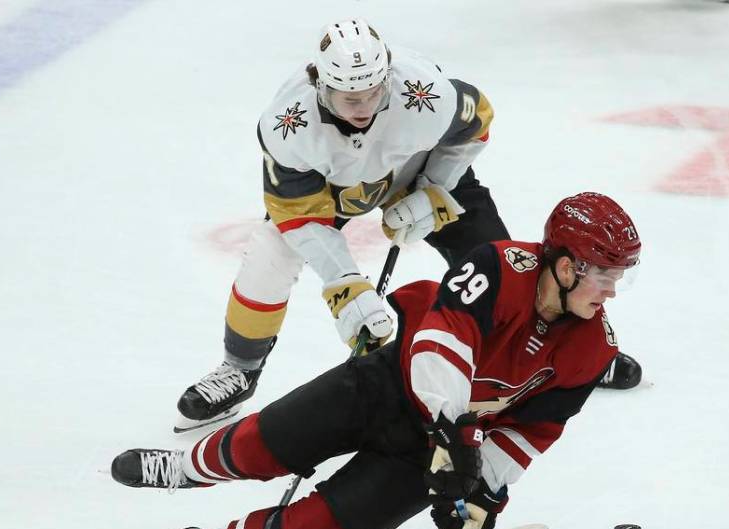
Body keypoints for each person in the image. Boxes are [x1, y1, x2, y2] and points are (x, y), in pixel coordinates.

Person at [111, 191, 642, 529]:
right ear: (569, 267)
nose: (613, 292)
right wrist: (456, 434)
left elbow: (534, 431)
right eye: (607, 276)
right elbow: (440, 343)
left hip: (433, 453)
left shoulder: (594, 348)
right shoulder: (498, 267)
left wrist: (483, 496)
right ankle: (185, 469)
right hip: (388, 388)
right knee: (257, 449)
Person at [175, 18, 640, 433]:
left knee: (508, 265)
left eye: (374, 93)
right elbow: (298, 213)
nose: (363, 107)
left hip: (419, 172)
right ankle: (240, 366)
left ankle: (576, 353)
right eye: (349, 97)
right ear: (319, 85)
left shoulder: (425, 92)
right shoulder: (286, 125)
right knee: (271, 253)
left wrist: (434, 190)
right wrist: (346, 287)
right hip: (333, 191)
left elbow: (477, 123)